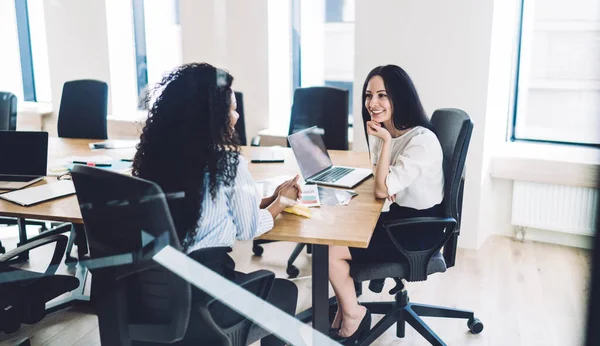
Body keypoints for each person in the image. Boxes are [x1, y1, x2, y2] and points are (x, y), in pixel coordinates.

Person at [131, 62, 301, 345]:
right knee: (285, 293)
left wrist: (268, 199)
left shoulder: (155, 161)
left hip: (152, 298)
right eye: (232, 109)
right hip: (206, 299)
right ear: (212, 115)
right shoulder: (228, 162)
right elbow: (248, 229)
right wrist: (281, 202)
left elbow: (212, 208)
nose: (236, 116)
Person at [328, 65, 445, 343]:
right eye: (369, 95)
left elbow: (381, 188)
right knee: (338, 228)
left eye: (382, 95)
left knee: (331, 251)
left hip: (417, 231)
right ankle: (346, 308)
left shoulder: (421, 141)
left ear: (399, 98)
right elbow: (381, 184)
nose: (373, 103)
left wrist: (384, 143)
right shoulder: (388, 131)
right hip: (399, 219)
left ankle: (354, 314)